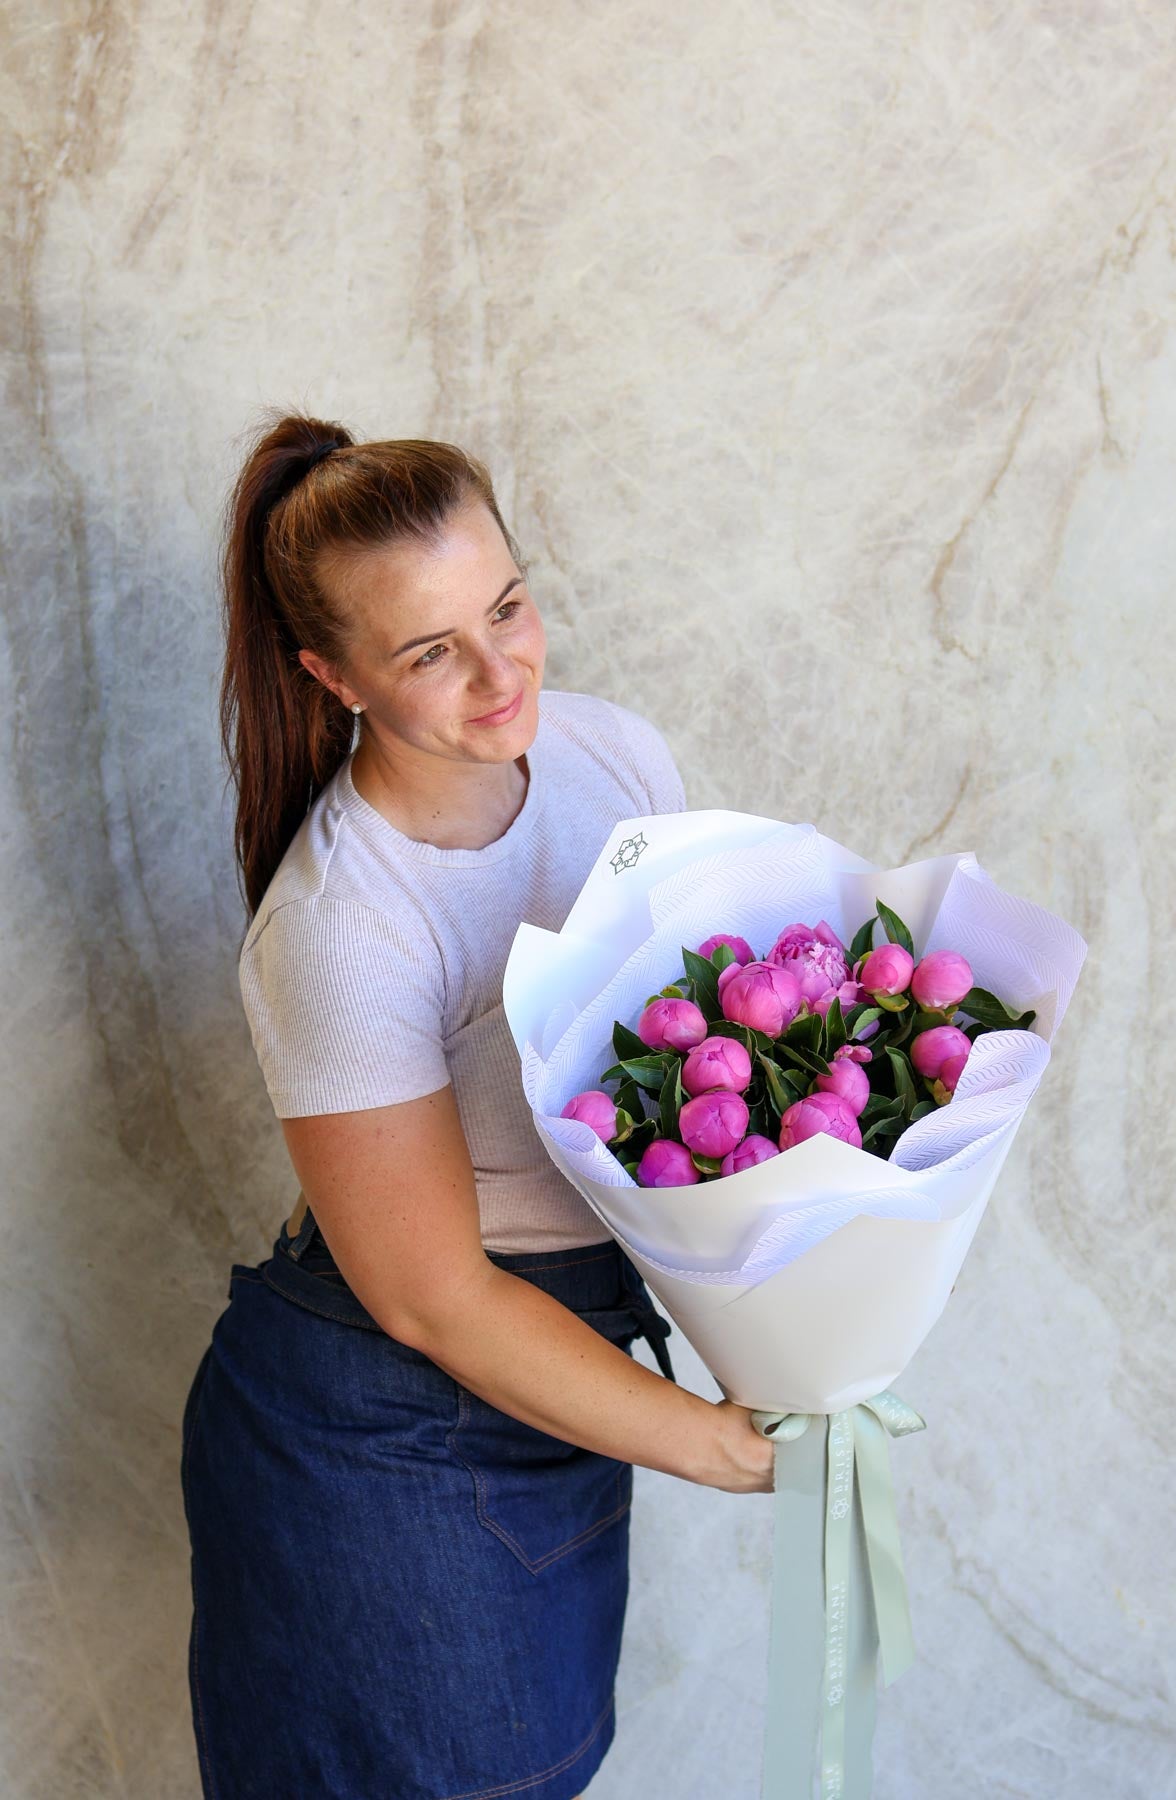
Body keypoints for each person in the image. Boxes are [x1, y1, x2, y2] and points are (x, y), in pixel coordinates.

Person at [179, 411, 775, 1800]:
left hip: (561, 1368)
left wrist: (789, 1329)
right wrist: (719, 1444)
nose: (502, 673)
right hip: (384, 1430)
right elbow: (434, 1299)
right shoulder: (341, 927)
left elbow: (699, 1099)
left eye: (505, 606)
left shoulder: (617, 759)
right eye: (430, 650)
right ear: (333, 676)